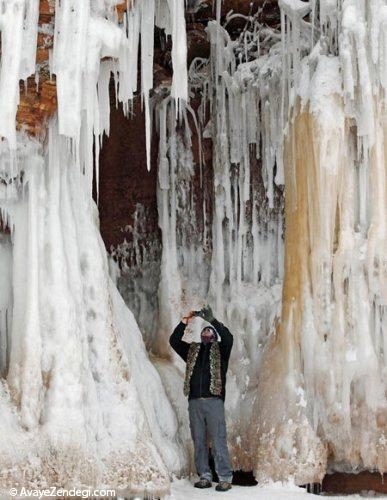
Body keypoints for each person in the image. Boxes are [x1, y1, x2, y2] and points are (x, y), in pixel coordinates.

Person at [169, 306, 234, 492]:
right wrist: (185, 321)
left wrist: (212, 320)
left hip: (214, 401)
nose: (206, 333)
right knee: (198, 439)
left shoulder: (221, 350)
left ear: (214, 336)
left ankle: (224, 477)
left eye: (209, 331)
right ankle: (204, 476)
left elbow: (229, 337)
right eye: (204, 331)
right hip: (195, 401)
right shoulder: (192, 351)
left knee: (218, 438)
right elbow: (174, 341)